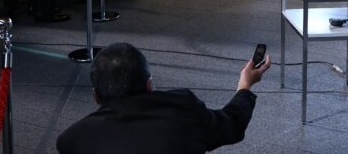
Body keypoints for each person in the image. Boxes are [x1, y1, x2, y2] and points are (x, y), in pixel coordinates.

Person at [56, 42, 270, 154]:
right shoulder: (183, 108)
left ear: (96, 96)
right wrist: (245, 84)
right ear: (149, 84)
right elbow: (231, 124)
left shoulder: (72, 140)